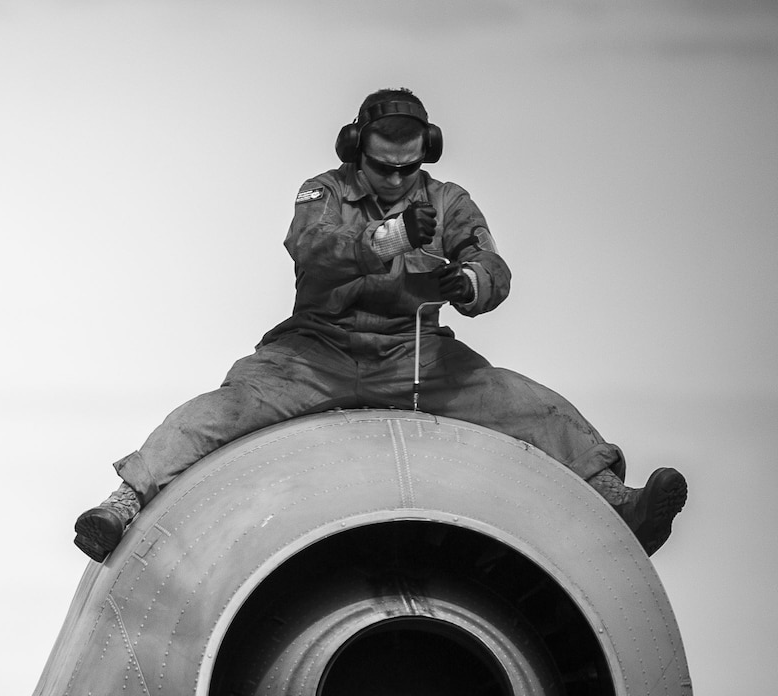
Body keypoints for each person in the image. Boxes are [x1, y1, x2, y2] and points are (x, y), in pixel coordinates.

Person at [74, 88, 687, 561]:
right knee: (218, 412)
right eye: (383, 168)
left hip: (416, 356)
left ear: (427, 153)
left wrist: (469, 285)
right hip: (313, 357)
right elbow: (311, 248)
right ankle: (121, 506)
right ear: (355, 153)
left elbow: (491, 266)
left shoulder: (450, 201)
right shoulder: (321, 192)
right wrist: (388, 236)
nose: (396, 180)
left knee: (532, 407)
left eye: (407, 169)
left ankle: (622, 506)